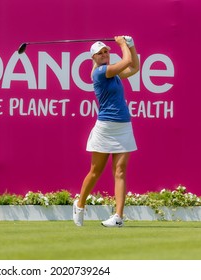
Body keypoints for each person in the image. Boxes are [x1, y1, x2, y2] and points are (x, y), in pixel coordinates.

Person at [73, 35, 139, 227]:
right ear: (93, 58)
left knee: (120, 171)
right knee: (96, 171)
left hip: (123, 126)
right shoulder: (101, 73)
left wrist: (131, 46)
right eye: (99, 54)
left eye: (105, 52)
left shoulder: (114, 74)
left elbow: (134, 67)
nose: (104, 55)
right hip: (106, 127)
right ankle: (80, 204)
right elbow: (126, 61)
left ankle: (118, 217)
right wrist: (122, 44)